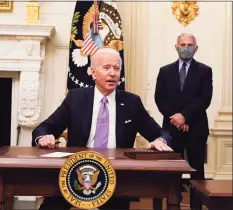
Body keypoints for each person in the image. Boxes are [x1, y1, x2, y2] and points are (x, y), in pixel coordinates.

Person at [32, 48, 173, 210]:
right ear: (93, 72)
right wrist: (43, 136)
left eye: (116, 68)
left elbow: (161, 133)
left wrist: (160, 140)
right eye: (106, 68)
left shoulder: (131, 102)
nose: (113, 73)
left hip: (116, 175)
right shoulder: (75, 98)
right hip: (76, 172)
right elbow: (44, 128)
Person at [155, 33, 213, 181]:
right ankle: (173, 203)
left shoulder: (205, 70)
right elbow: (160, 98)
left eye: (189, 45)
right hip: (172, 129)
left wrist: (185, 116)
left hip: (196, 128)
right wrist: (176, 118)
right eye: (183, 45)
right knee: (172, 171)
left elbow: (205, 98)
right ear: (176, 47)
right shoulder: (165, 71)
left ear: (196, 48)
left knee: (197, 170)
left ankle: (197, 204)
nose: (186, 48)